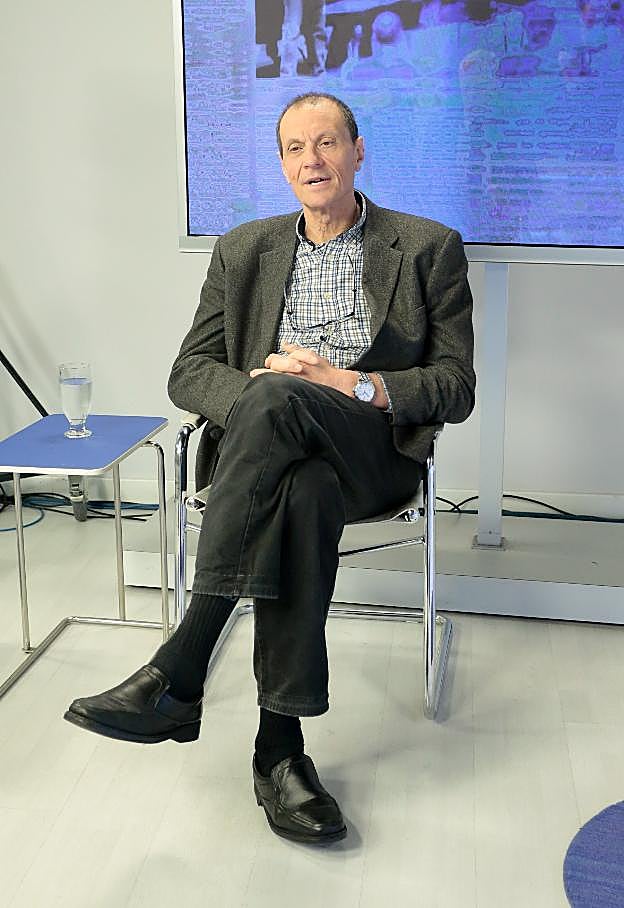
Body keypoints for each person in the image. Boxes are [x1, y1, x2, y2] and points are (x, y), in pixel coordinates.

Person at [64, 92, 476, 846]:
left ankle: (183, 664)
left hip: (372, 450)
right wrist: (263, 396)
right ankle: (278, 751)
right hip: (278, 457)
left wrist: (347, 384)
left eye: (327, 143)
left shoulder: (427, 247)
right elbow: (190, 371)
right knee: (301, 486)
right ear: (282, 164)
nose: (311, 160)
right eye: (295, 148)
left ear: (358, 152)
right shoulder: (242, 250)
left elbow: (456, 385)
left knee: (287, 403)